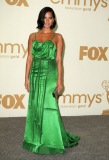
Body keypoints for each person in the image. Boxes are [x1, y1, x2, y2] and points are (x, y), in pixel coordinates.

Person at [22, 6, 80, 154]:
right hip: (35, 73)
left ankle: (52, 140)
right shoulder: (32, 36)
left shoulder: (58, 37)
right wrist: (26, 77)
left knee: (49, 106)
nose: (47, 21)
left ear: (53, 20)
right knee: (35, 105)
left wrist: (60, 80)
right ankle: (34, 139)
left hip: (50, 73)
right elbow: (29, 58)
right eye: (45, 17)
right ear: (41, 19)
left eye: (50, 17)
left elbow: (59, 60)